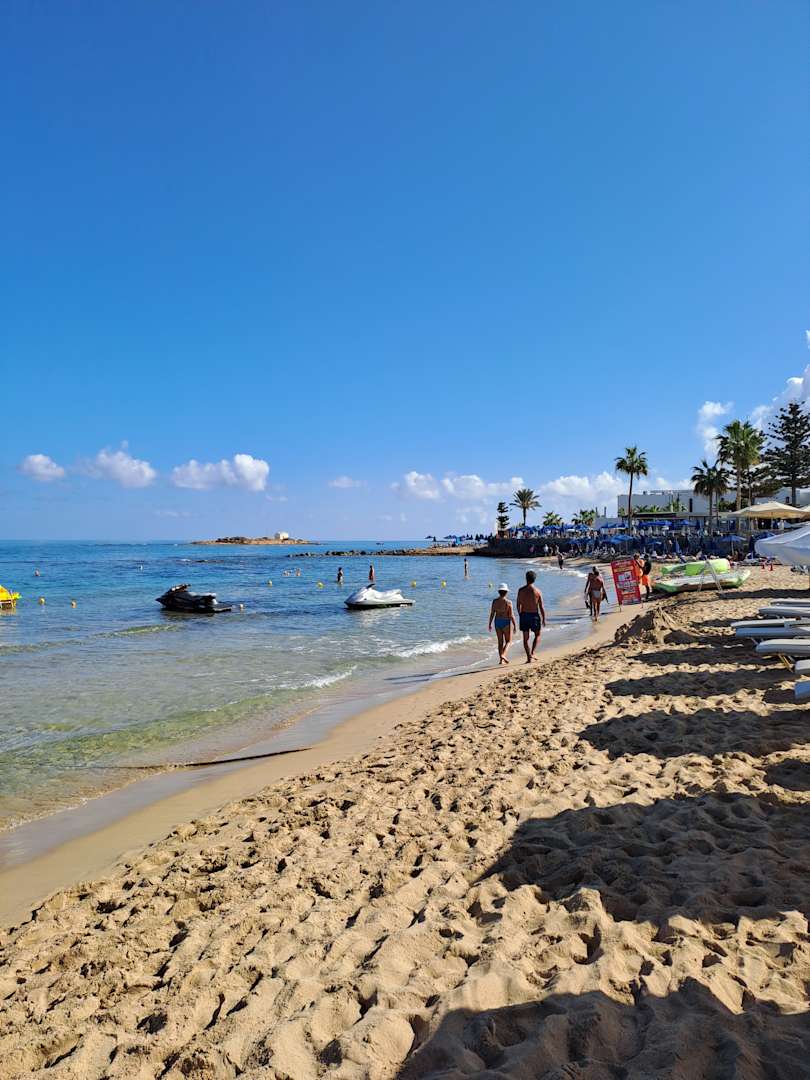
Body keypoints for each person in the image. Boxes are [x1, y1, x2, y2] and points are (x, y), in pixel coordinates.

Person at [517, 570, 546, 663]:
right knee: (538, 635)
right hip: (534, 616)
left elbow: (518, 605)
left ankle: (529, 658)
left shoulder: (521, 590)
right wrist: (544, 618)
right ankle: (532, 652)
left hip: (524, 615)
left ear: (526, 578)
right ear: (534, 579)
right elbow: (541, 607)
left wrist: (520, 615)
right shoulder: (538, 591)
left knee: (525, 639)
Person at [488, 583, 516, 665]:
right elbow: (511, 615)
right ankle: (503, 655)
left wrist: (490, 623)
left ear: (499, 592)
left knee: (500, 642)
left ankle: (501, 660)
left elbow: (492, 613)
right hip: (506, 622)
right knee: (508, 641)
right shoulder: (508, 602)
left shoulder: (494, 601)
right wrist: (515, 625)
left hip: (497, 622)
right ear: (506, 592)